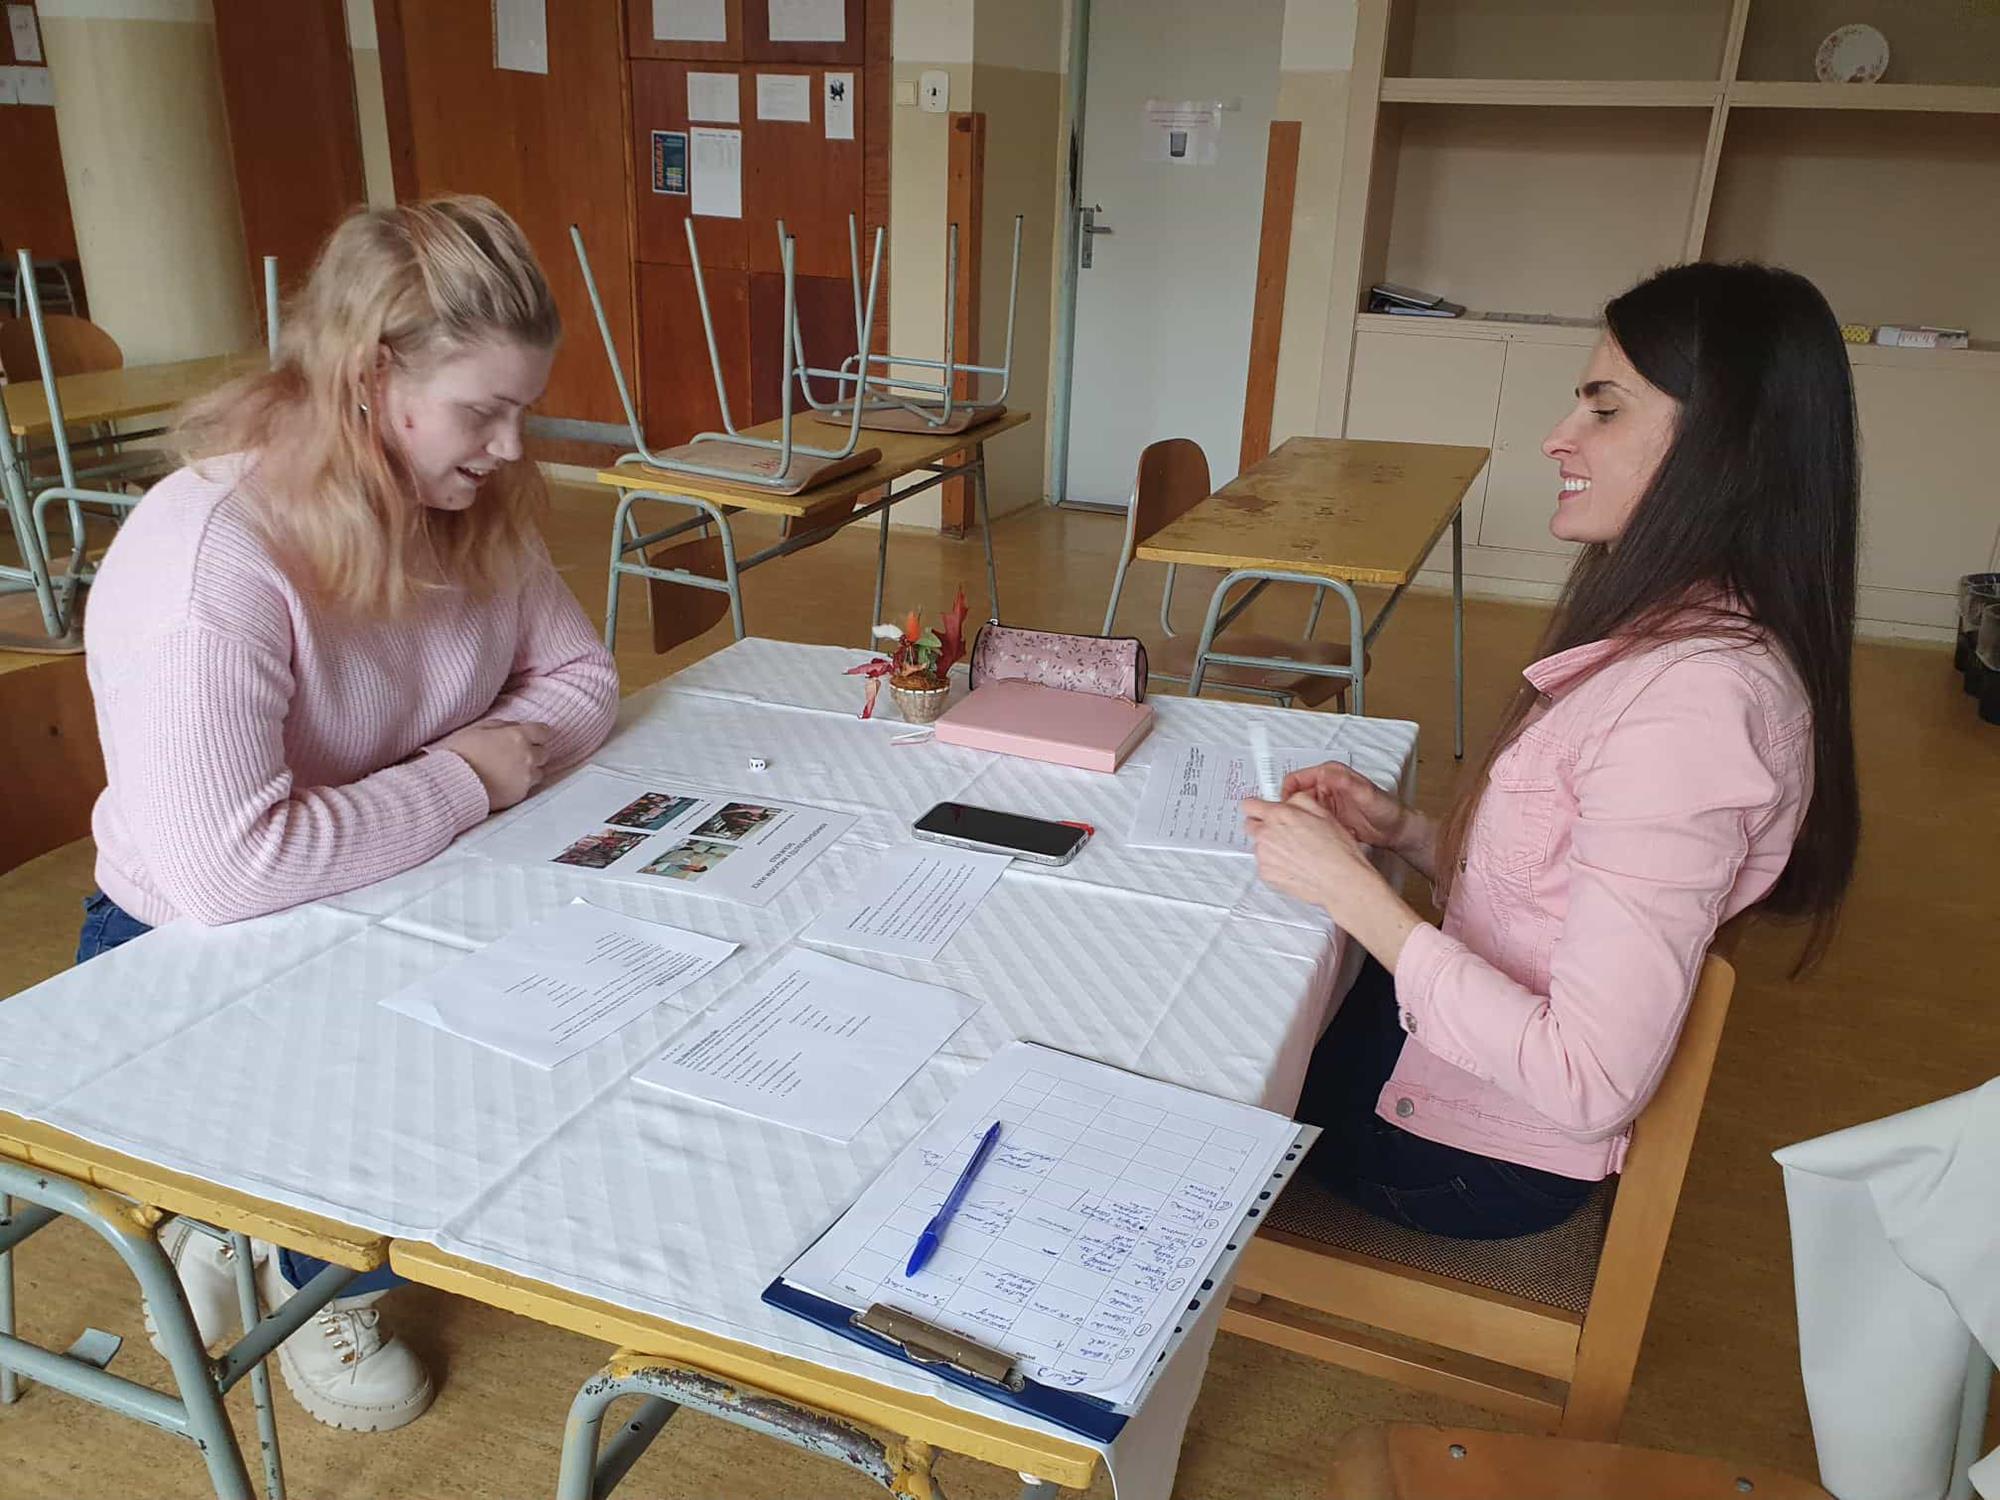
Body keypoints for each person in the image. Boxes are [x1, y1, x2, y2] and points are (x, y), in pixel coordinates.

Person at [78, 196, 619, 1427]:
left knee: (567, 1007)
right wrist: (465, 779)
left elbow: (583, 679)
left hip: (391, 883)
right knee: (418, 1077)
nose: (511, 447)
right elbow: (225, 873)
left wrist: (412, 801)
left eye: (523, 410)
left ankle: (245, 1217)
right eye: (483, 411)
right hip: (182, 951)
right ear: (373, 378)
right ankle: (295, 1251)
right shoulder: (213, 555)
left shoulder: (467, 505)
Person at [1244, 262, 1860, 1240]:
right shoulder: (1690, 635)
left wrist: (1349, 892)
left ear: (1724, 445)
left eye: (1603, 409)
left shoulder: (1690, 706)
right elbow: (1557, 892)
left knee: (1190, 1056)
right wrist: (1405, 834)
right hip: (1456, 1074)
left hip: (1467, 1154)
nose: (1558, 437)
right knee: (1258, 982)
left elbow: (1587, 1081)